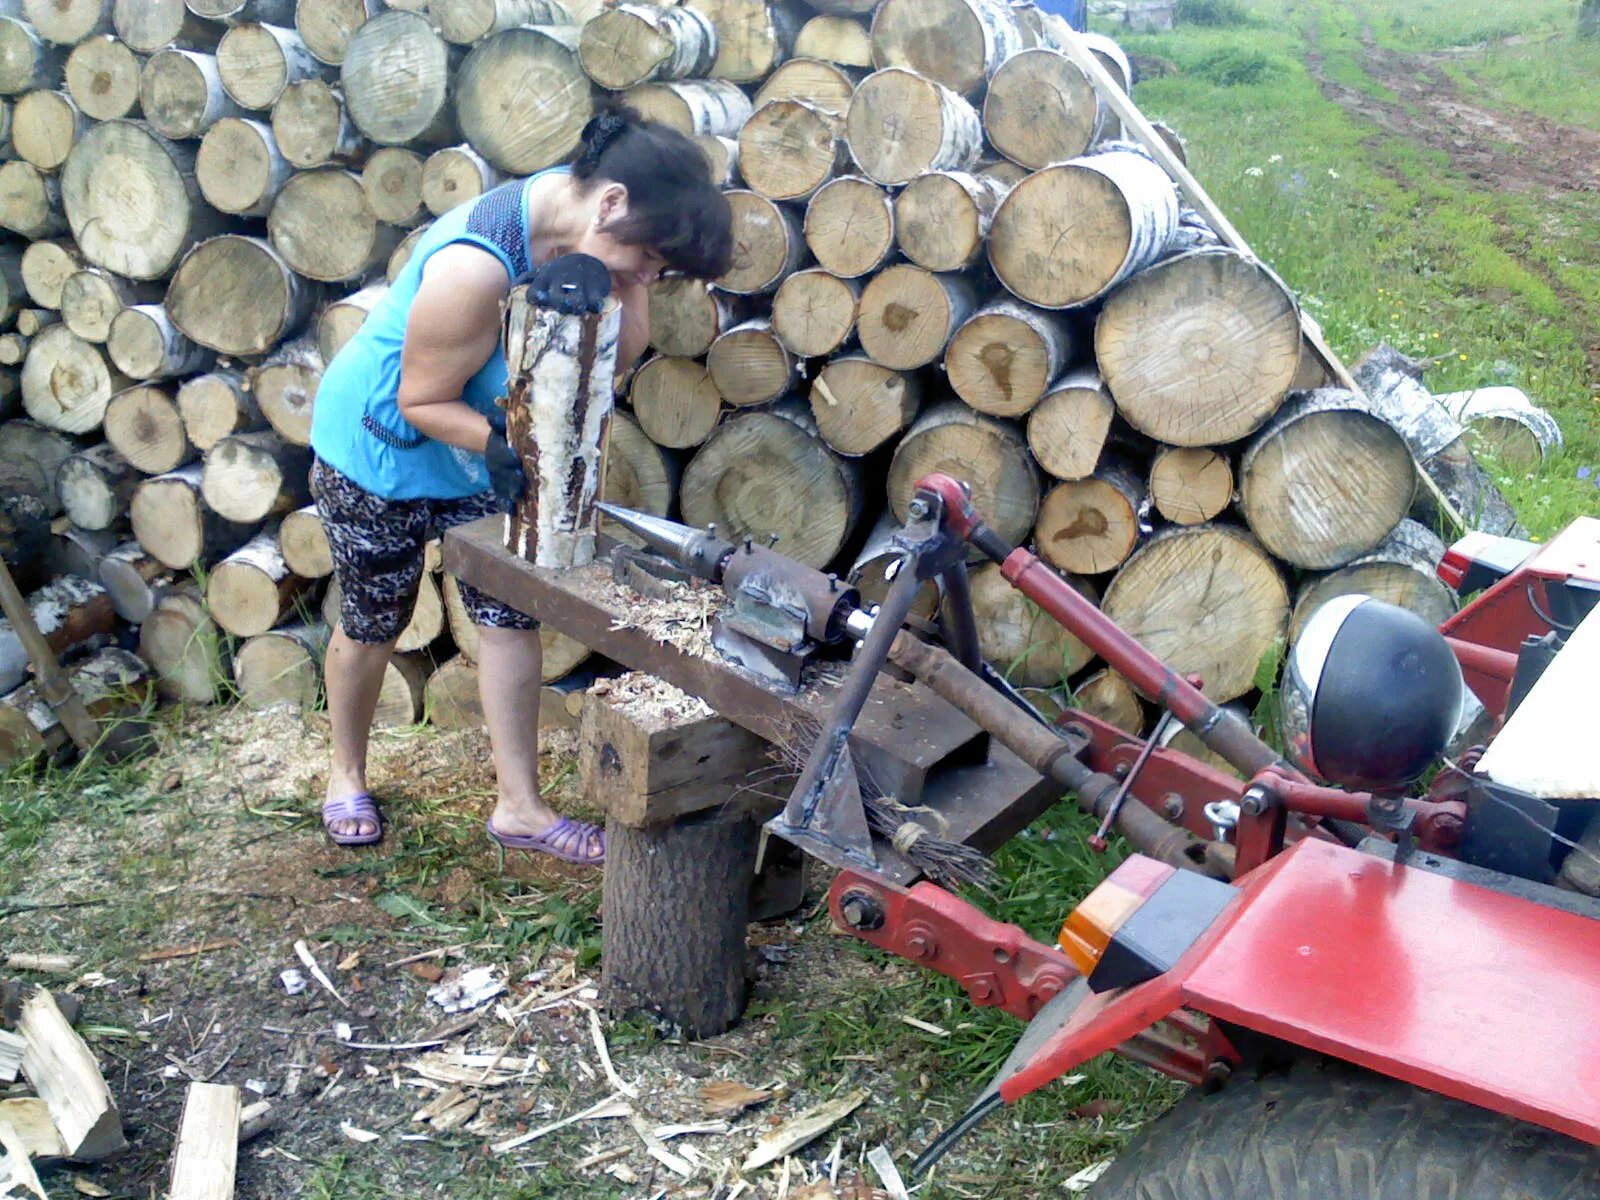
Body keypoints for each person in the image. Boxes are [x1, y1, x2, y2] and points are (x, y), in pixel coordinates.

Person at [307, 107, 734, 865]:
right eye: (648, 261)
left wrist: (618, 279)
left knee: (507, 612)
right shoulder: (475, 266)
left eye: (660, 273)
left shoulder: (586, 222)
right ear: (611, 203)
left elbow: (621, 356)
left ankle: (521, 809)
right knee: (375, 617)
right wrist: (505, 447)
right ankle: (345, 775)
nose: (649, 280)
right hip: (384, 445)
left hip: (490, 441)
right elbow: (420, 399)